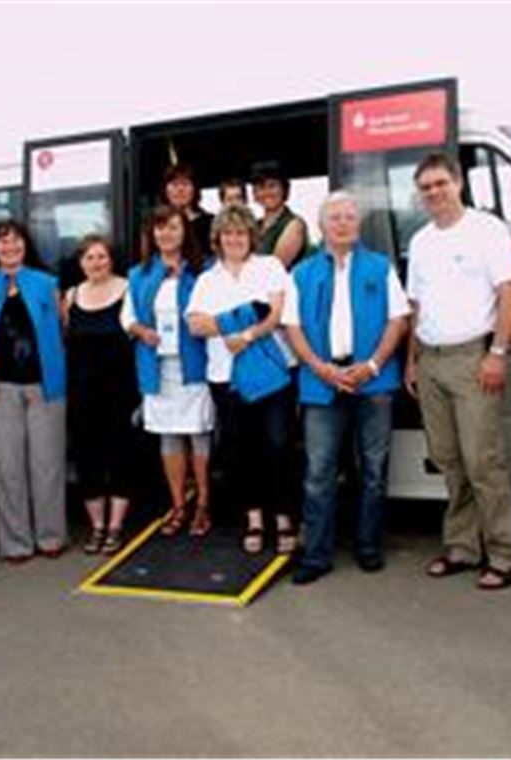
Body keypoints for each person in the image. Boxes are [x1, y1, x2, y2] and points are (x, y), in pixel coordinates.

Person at [404, 152, 511, 590]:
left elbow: (510, 292)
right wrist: (412, 360)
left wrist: (497, 352)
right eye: (426, 188)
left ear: (458, 182)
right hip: (431, 360)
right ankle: (462, 547)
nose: (434, 192)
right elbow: (416, 306)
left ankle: (506, 553)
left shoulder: (487, 230)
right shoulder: (421, 241)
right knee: (449, 459)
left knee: (483, 460)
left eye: (441, 183)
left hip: (473, 358)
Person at [283, 191, 409, 584]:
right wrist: (320, 368)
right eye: (334, 217)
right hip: (321, 382)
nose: (342, 223)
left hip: (374, 380)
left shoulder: (380, 267)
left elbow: (398, 320)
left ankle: (368, 547)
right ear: (322, 225)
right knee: (319, 472)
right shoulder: (302, 273)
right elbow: (292, 327)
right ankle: (317, 556)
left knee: (373, 470)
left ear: (358, 223)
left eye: (349, 216)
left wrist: (372, 365)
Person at [187, 205, 296, 554]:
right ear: (217, 238)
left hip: (271, 374)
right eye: (228, 233)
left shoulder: (270, 266)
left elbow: (275, 314)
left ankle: (283, 516)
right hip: (225, 376)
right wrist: (245, 315)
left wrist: (243, 335)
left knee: (278, 445)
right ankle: (253, 519)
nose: (235, 239)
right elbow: (195, 325)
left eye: (241, 232)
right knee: (241, 450)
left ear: (252, 236)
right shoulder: (207, 279)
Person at [0, 219, 69, 563]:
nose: (10, 247)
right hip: (0, 389)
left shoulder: (46, 283)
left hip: (45, 387)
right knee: (8, 468)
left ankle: (51, 537)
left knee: (48, 465)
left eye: (16, 241)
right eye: (2, 242)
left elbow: (62, 329)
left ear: (26, 245)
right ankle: (15, 543)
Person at [122, 204, 214, 537]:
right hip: (157, 366)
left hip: (195, 365)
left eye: (173, 227)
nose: (166, 234)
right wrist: (140, 331)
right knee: (169, 438)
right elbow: (127, 317)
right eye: (160, 228)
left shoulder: (204, 269)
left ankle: (203, 503)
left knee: (199, 435)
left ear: (184, 231)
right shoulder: (139, 274)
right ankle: (178, 505)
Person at [63, 235, 138, 555]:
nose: (96, 263)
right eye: (90, 258)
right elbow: (65, 339)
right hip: (82, 392)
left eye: (102, 257)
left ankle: (116, 526)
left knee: (120, 456)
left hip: (120, 389)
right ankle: (96, 526)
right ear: (81, 264)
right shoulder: (71, 296)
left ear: (111, 260)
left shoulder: (128, 289)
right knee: (87, 457)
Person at [252, 160, 309, 269]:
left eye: (272, 186)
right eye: (261, 187)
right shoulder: (254, 225)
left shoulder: (294, 225)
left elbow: (275, 268)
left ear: (284, 189)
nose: (267, 192)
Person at [161, 163, 213, 257]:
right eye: (174, 184)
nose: (180, 189)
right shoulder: (156, 224)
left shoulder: (211, 223)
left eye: (185, 184)